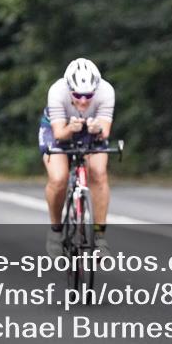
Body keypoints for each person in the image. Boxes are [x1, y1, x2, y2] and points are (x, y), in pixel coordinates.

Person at [40, 58, 116, 258]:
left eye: (89, 95)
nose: (83, 100)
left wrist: (97, 128)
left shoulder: (106, 91)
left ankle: (100, 237)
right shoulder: (57, 91)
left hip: (90, 131)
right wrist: (69, 129)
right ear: (69, 89)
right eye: (77, 95)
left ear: (96, 90)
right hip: (59, 128)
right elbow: (58, 134)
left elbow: (105, 132)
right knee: (58, 179)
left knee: (99, 174)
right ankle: (55, 231)